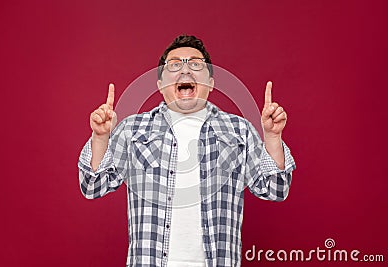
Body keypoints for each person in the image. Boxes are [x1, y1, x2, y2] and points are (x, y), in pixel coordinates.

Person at [78, 35, 296, 267]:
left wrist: (272, 137)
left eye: (195, 64)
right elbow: (93, 186)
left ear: (211, 83)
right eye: (174, 65)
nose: (185, 70)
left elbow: (275, 189)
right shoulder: (133, 129)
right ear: (160, 84)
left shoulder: (238, 130)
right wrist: (100, 138)